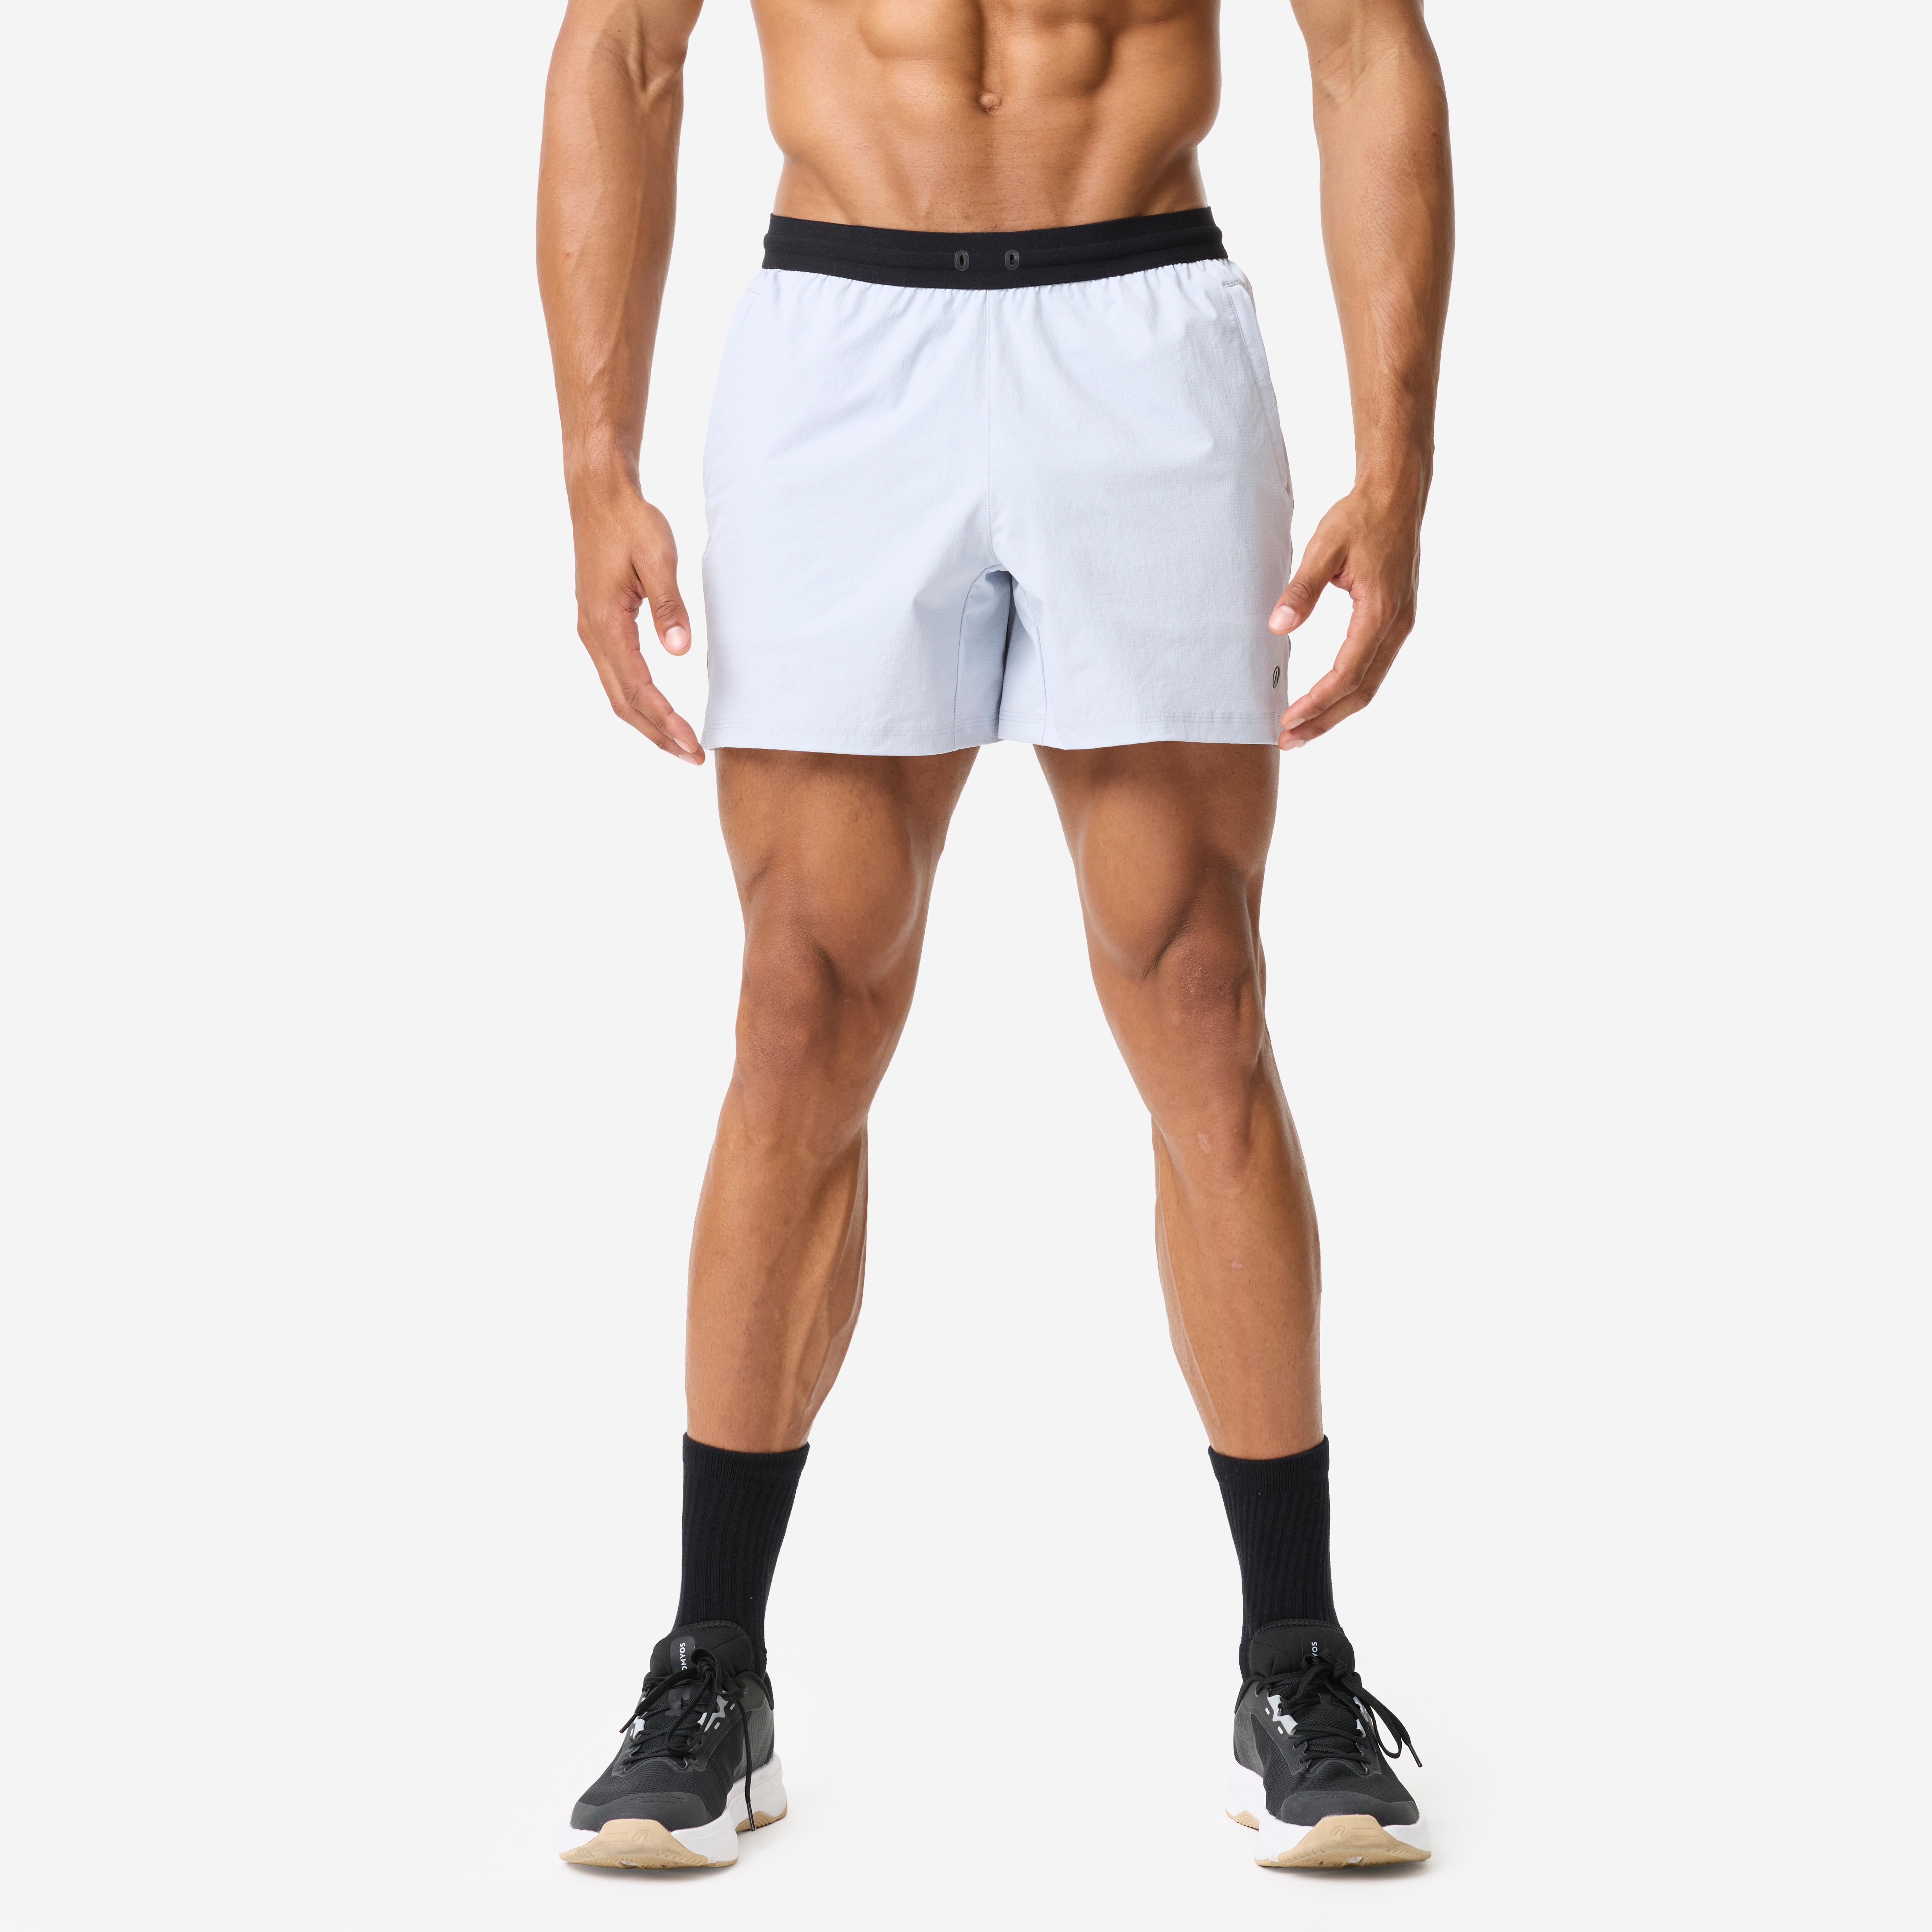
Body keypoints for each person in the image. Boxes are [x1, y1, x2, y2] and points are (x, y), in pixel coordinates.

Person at [536, 0, 1452, 1874]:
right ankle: (712, 1671)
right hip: (842, 338)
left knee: (1202, 993)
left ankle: (1297, 1662)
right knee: (801, 1005)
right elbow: (624, 46)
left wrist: (1400, 458)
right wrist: (592, 462)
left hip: (1141, 326)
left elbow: (1365, 46)